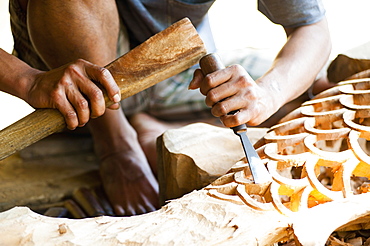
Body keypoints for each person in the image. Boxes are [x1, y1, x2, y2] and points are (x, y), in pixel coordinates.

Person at [5, 0, 331, 216]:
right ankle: (117, 140)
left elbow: (312, 29)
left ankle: (150, 128)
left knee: (320, 89)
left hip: (177, 68)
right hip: (73, 79)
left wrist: (266, 95)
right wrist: (28, 81)